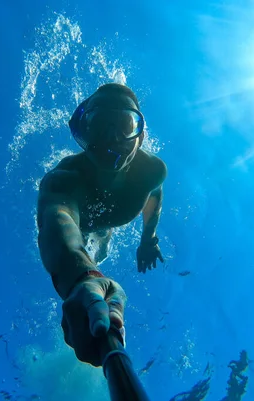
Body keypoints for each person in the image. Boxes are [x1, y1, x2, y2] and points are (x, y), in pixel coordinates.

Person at [36, 83, 167, 367]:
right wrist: (82, 277)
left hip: (104, 221)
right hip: (81, 224)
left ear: (140, 137)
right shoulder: (64, 179)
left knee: (103, 240)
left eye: (124, 125)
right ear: (81, 135)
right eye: (99, 125)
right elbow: (57, 219)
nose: (112, 138)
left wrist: (148, 239)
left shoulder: (151, 172)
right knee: (87, 247)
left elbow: (154, 196)